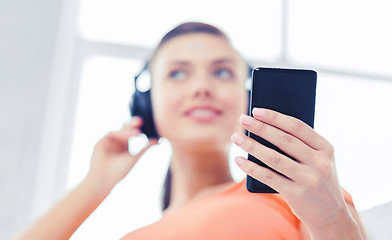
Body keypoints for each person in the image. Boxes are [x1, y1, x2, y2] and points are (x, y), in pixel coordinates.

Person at [15, 22, 366, 240]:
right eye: (178, 73)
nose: (202, 87)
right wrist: (96, 183)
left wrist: (330, 216)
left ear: (247, 99)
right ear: (146, 104)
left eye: (223, 72)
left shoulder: (304, 196)